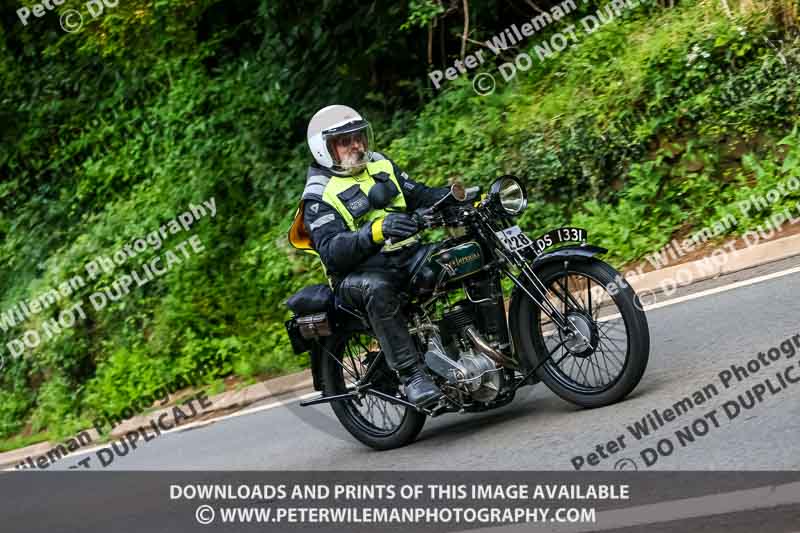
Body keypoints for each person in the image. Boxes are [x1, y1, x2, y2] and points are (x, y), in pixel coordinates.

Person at [291, 104, 453, 407]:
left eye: (359, 136)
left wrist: (463, 197)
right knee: (377, 288)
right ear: (325, 150)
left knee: (457, 256)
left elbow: (421, 194)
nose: (357, 145)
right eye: (345, 140)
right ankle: (412, 376)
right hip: (356, 276)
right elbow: (332, 251)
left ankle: (477, 343)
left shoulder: (380, 164)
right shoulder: (318, 194)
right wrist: (375, 232)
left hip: (406, 256)